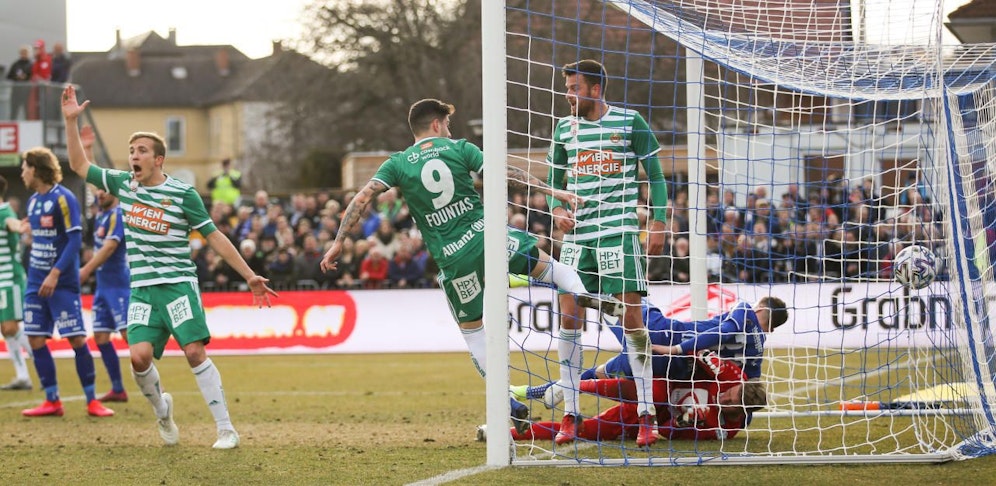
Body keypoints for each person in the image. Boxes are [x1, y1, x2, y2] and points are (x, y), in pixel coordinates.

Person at [320, 98, 624, 436]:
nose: (450, 130)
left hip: (454, 258)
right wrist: (553, 190)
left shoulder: (398, 163)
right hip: (488, 236)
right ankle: (583, 294)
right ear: (436, 124)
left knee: (474, 333)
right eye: (447, 124)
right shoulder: (460, 148)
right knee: (554, 271)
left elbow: (362, 198)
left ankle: (508, 401)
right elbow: (505, 172)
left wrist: (338, 242)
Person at [63, 84, 277, 449]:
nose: (135, 155)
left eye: (142, 150)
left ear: (158, 159)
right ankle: (163, 412)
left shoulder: (182, 194)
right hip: (143, 289)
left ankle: (226, 429)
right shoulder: (123, 185)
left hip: (178, 283)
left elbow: (214, 236)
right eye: (132, 151)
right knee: (139, 357)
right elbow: (79, 165)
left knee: (194, 351)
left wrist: (249, 274)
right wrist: (71, 122)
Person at [546, 59, 670, 446]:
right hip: (579, 238)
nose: (568, 95)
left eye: (574, 88)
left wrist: (659, 220)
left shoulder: (630, 122)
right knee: (568, 314)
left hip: (618, 233)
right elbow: (554, 181)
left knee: (631, 319)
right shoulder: (564, 128)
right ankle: (571, 413)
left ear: (595, 90)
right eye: (566, 88)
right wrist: (558, 211)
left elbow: (657, 175)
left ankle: (647, 414)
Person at [19, 146, 115, 418]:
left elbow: (74, 240)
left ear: (35, 169)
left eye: (25, 168)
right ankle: (52, 401)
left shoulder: (64, 198)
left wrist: (55, 273)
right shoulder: (33, 201)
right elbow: (42, 238)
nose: (22, 173)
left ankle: (91, 400)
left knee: (75, 338)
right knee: (35, 338)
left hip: (61, 282)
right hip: (35, 282)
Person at [501, 350, 765, 443]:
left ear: (742, 413)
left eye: (730, 404)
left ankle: (502, 434)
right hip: (653, 384)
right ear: (736, 386)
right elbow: (697, 351)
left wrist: (683, 423)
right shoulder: (732, 374)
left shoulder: (725, 429)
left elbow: (666, 432)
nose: (725, 399)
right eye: (730, 394)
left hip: (651, 419)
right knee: (656, 390)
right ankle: (576, 387)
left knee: (585, 431)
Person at [79, 179, 130, 402]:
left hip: (119, 286)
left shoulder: (118, 215)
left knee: (132, 340)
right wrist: (88, 148)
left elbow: (110, 247)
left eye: (104, 191)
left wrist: (86, 269)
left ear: (115, 193)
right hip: (103, 287)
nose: (99, 193)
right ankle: (118, 389)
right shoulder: (101, 213)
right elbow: (93, 178)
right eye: (98, 190)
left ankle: (158, 389)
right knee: (100, 336)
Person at [0, 175, 33, 391]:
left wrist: (20, 227)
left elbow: (12, 224)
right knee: (5, 329)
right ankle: (23, 376)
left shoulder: (5, 212)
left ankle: (40, 356)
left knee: (11, 326)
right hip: (1, 281)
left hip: (10, 278)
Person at [6, 46, 32, 119]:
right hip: (16, 91)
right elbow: (9, 76)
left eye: (25, 53)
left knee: (27, 109)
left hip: (27, 91)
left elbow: (33, 76)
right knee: (14, 109)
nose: (23, 54)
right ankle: (12, 123)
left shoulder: (31, 64)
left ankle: (28, 124)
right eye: (22, 53)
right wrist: (17, 77)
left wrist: (26, 77)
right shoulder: (15, 64)